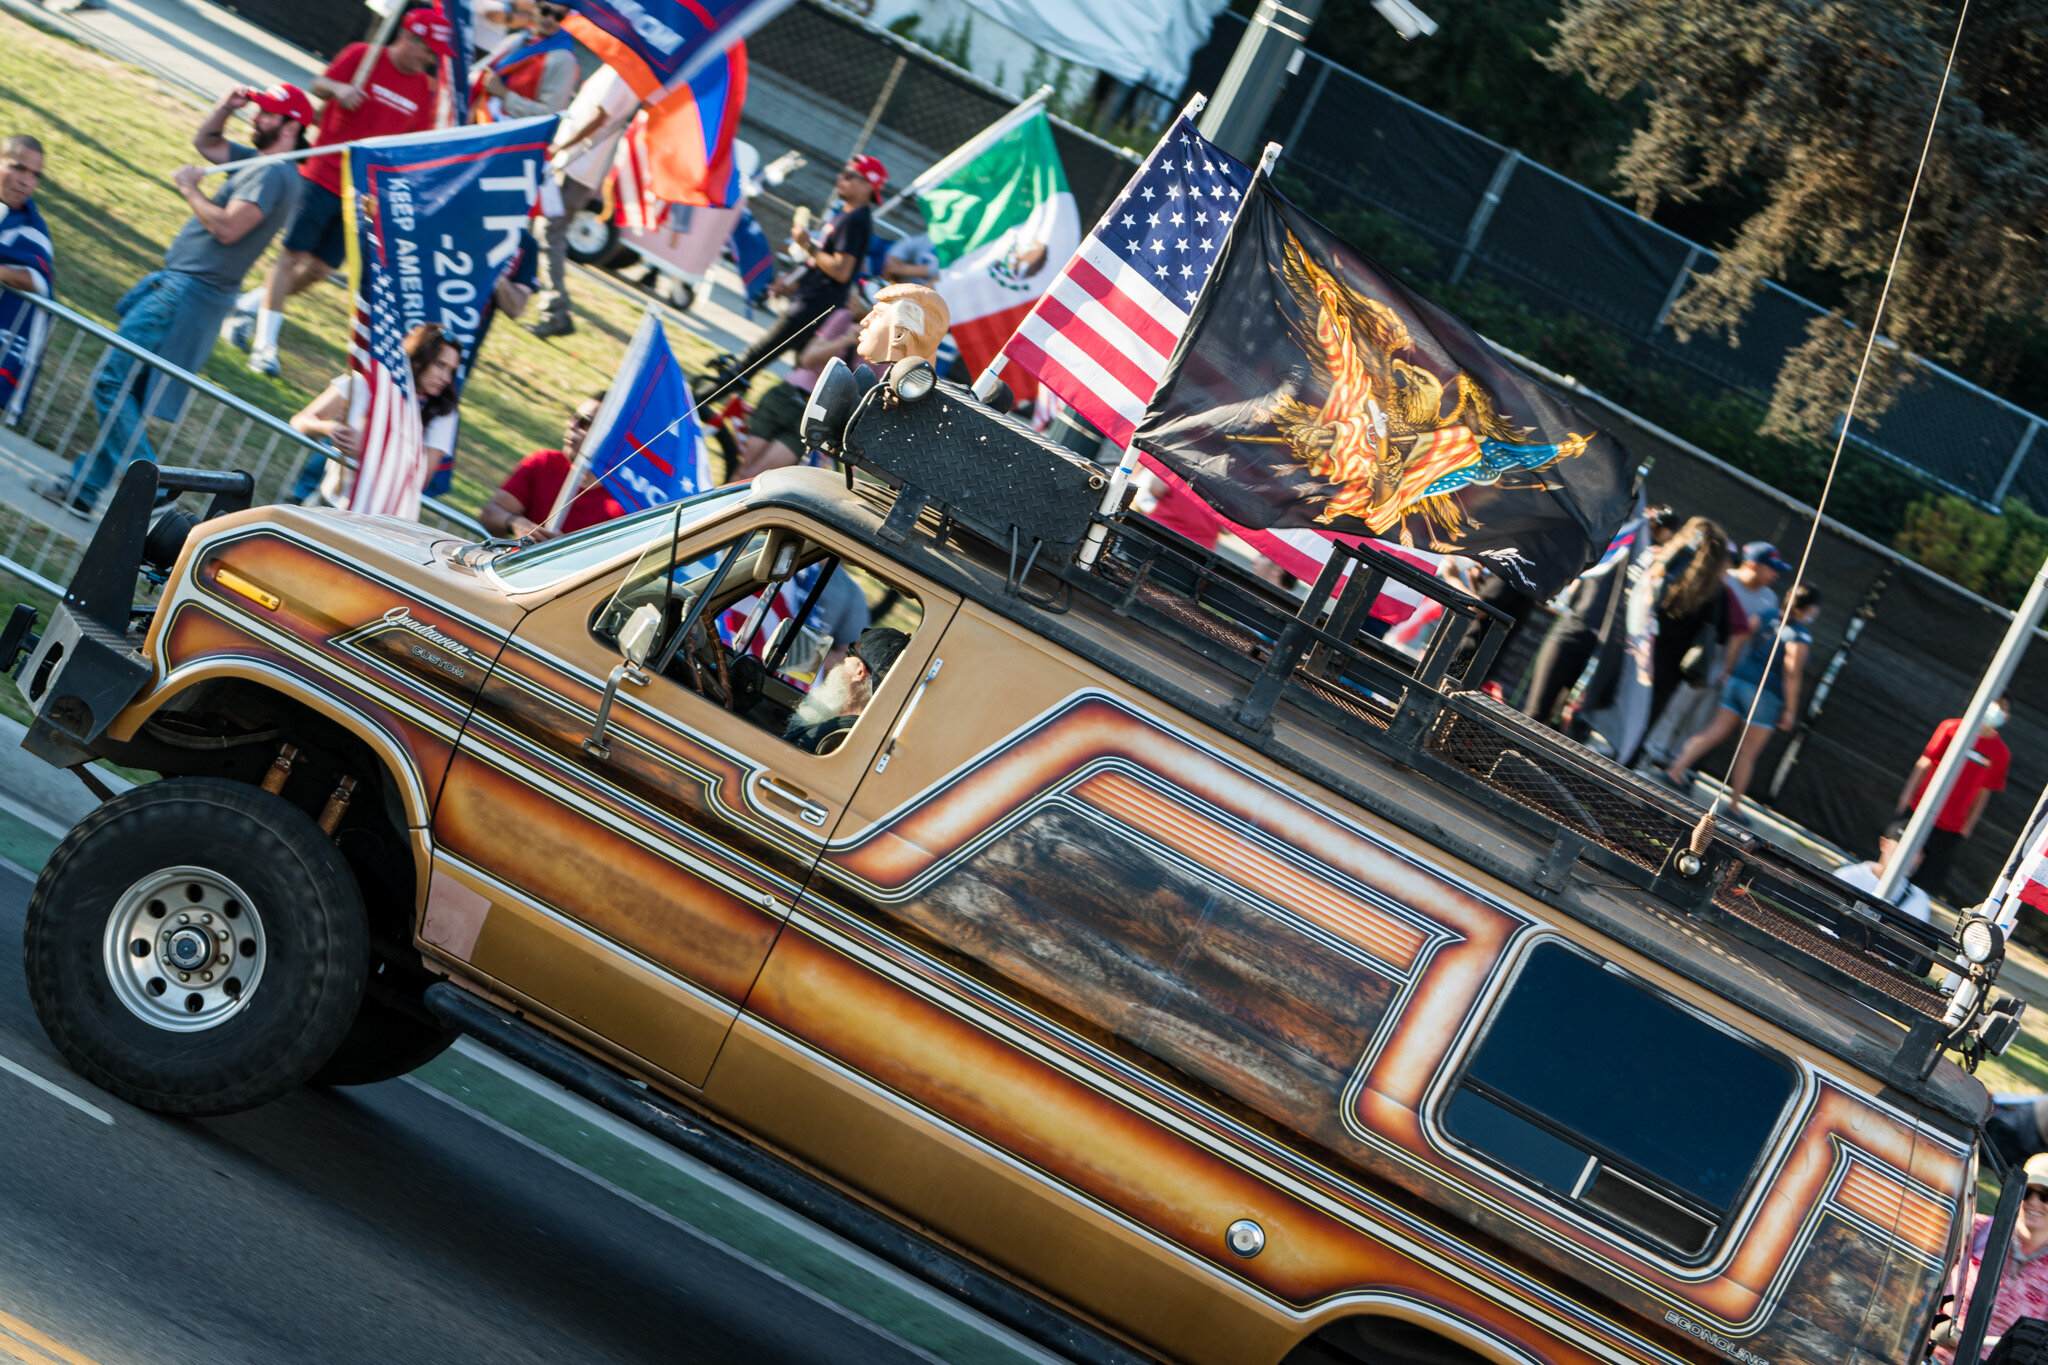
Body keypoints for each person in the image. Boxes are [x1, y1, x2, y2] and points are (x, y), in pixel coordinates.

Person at [36, 86, 310, 516]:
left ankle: (157, 487)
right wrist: (225, 107)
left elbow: (227, 228)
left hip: (184, 295)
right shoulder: (271, 167)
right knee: (132, 396)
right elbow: (207, 144)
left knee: (112, 382)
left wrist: (189, 189)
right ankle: (84, 489)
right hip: (192, 294)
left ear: (293, 125)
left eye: (268, 114)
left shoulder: (272, 172)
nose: (257, 118)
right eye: (258, 111)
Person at [229, 9, 450, 377]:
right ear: (410, 38)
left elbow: (413, 144)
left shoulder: (423, 92)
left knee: (320, 268)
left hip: (362, 193)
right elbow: (318, 85)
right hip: (322, 175)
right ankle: (264, 346)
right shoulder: (363, 55)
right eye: (428, 52)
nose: (431, 61)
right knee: (289, 258)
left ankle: (249, 304)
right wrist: (339, 89)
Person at [1662, 583, 1820, 819]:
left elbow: (1739, 636)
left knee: (1713, 731)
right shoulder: (1800, 636)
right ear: (1810, 608)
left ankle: (1675, 770)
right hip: (1765, 695)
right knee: (1748, 752)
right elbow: (1791, 673)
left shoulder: (1767, 616)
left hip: (1738, 681)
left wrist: (1729, 668)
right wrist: (1790, 709)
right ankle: (1734, 805)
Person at [723, 155, 884, 382]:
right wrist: (793, 282)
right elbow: (822, 264)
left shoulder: (856, 220)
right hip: (812, 300)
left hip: (814, 306)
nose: (841, 178)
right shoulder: (847, 214)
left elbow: (841, 270)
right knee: (799, 373)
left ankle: (699, 405)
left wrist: (806, 244)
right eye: (842, 172)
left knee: (752, 360)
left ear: (868, 186)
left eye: (850, 176)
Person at [1523, 505, 1678, 727]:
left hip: (1606, 646)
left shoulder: (1656, 563)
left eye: (1658, 529)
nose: (1653, 532)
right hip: (1577, 627)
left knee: (1566, 721)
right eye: (1651, 525)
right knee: (1537, 711)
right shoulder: (1619, 539)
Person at [287, 323, 461, 507]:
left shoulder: (443, 413)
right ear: (418, 358)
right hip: (327, 502)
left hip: (378, 518)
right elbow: (299, 421)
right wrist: (330, 429)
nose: (446, 378)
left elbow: (421, 478)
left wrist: (370, 450)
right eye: (440, 365)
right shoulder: (364, 381)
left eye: (451, 370)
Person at [529, 64, 640, 338]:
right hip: (576, 165)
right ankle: (535, 291)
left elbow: (600, 118)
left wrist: (561, 147)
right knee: (542, 230)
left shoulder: (622, 73)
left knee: (548, 232)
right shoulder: (619, 70)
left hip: (576, 166)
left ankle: (555, 309)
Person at [1896, 698, 2012, 895]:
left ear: (2007, 716)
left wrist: (1967, 826)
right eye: (1994, 702)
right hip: (1918, 811)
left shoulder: (2001, 753)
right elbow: (1925, 763)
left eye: (2002, 707)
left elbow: (1984, 792)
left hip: (1950, 828)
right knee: (1894, 863)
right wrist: (1905, 800)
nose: (1996, 710)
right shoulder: (1951, 728)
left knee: (1922, 885)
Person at [1941, 1152, 2048, 1359]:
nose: (2034, 1202)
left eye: (2045, 1195)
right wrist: (1938, 1325)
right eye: (2028, 1192)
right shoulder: (1975, 1229)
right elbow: (1924, 1281)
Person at [480, 393, 623, 538]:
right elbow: (489, 515)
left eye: (585, 422)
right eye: (574, 417)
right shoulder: (544, 462)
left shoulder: (626, 501)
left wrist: (565, 550)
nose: (571, 425)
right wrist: (515, 523)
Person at [785, 625, 907, 754]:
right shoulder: (873, 737)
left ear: (859, 672)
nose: (844, 659)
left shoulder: (829, 735)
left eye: (850, 652)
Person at [0, 134, 53, 428]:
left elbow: (40, 279)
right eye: (18, 168)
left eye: (35, 175)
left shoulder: (32, 229)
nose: (27, 182)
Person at [472, 1, 579, 123]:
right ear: (534, 7)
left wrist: (503, 93)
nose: (550, 19)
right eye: (545, 11)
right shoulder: (519, 38)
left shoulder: (563, 58)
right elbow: (480, 70)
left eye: (558, 16)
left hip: (505, 134)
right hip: (480, 117)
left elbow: (549, 115)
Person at [1832, 815, 1936, 924]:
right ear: (1884, 844)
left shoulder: (1920, 900)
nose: (1913, 858)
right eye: (1905, 847)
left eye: (1918, 852)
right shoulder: (1848, 877)